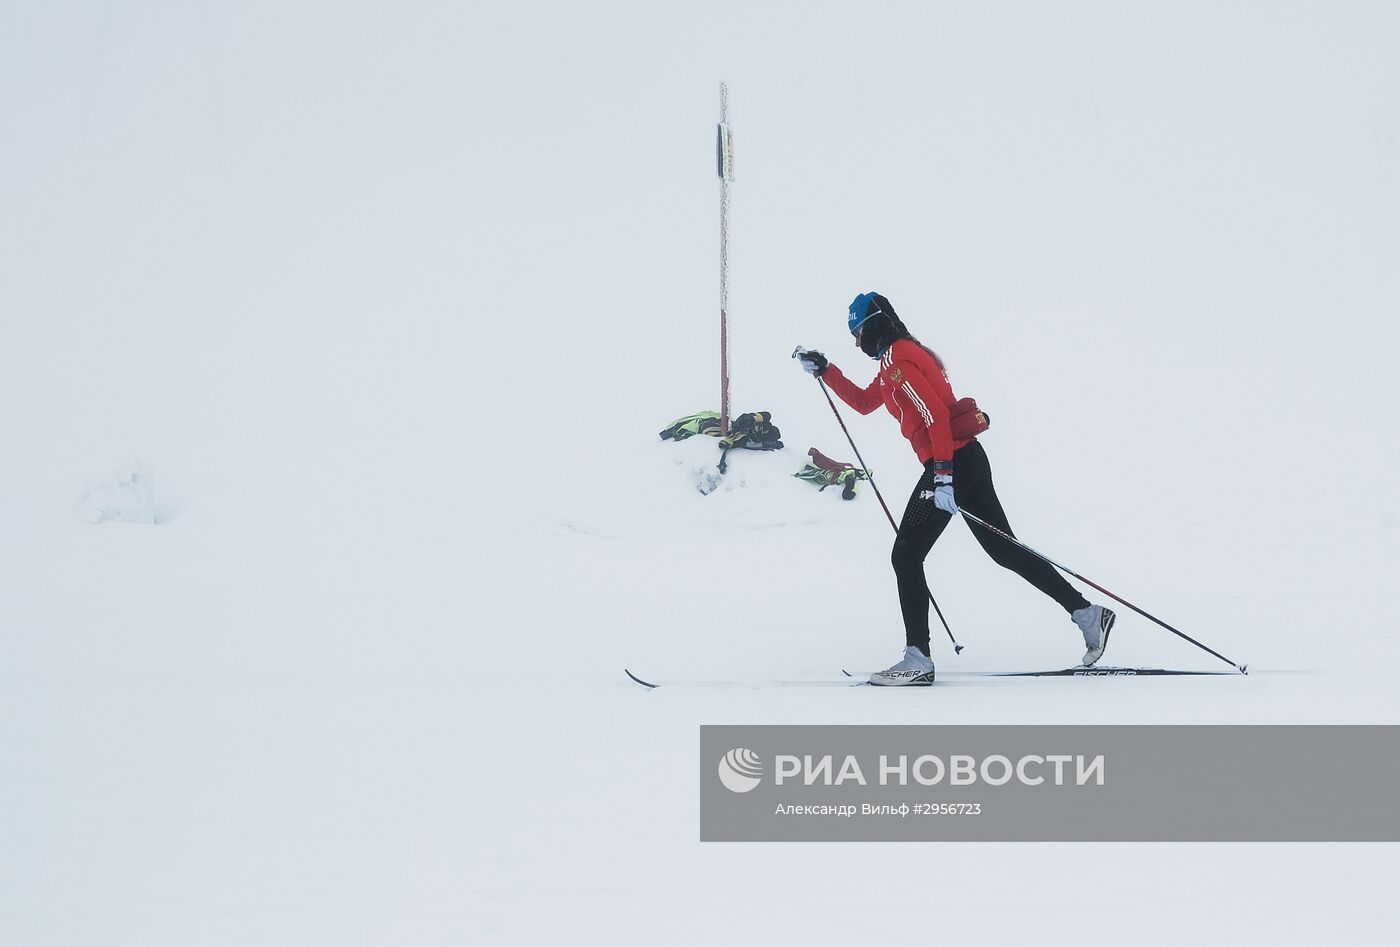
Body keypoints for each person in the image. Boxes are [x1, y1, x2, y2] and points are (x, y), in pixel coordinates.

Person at [796, 292, 1115, 686]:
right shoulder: (894, 364)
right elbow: (863, 403)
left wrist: (943, 475)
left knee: (906, 555)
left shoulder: (898, 359)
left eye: (858, 332)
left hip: (952, 464)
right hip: (968, 460)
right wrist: (826, 370)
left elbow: (934, 417)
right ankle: (1087, 614)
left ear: (876, 323)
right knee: (1005, 550)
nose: (856, 342)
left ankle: (918, 659)